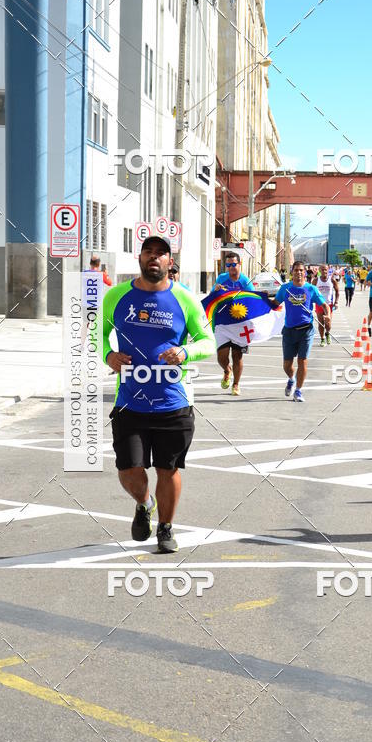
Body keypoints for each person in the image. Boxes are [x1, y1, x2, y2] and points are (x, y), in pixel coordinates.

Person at [102, 236, 215, 552]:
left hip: (173, 403)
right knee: (128, 471)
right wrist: (108, 356)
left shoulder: (185, 299)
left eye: (161, 253)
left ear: (170, 262)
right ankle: (144, 503)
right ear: (139, 258)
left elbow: (207, 341)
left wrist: (184, 352)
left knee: (169, 469)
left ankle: (165, 529)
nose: (154, 257)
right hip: (129, 403)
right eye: (148, 252)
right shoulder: (117, 296)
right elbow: (96, 332)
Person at [271, 261, 330, 402]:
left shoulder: (311, 289)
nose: (299, 273)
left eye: (301, 270)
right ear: (292, 272)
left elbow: (324, 304)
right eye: (296, 270)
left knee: (302, 361)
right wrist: (261, 298)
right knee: (287, 365)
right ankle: (291, 379)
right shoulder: (285, 289)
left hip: (306, 330)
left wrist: (327, 315)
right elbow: (274, 304)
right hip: (289, 331)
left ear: (305, 273)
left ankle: (298, 391)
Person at [212, 252, 254, 396]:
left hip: (240, 325)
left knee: (237, 356)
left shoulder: (246, 282)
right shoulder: (221, 278)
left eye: (233, 264)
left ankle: (236, 384)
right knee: (221, 357)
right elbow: (213, 297)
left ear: (239, 264)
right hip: (223, 323)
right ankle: (226, 370)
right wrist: (215, 290)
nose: (230, 268)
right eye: (228, 265)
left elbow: (253, 301)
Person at [314, 264, 339, 346]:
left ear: (328, 270)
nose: (324, 271)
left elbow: (337, 292)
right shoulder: (316, 280)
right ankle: (322, 339)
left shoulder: (332, 280)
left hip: (329, 305)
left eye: (325, 269)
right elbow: (311, 292)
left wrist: (336, 302)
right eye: (322, 269)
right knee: (321, 323)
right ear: (319, 271)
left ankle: (327, 333)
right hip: (319, 304)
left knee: (328, 323)